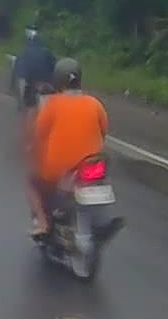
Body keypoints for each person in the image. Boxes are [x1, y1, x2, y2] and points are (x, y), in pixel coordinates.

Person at [25, 58, 109, 238]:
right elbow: (103, 132)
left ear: (57, 80)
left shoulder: (52, 105)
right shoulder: (95, 103)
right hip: (92, 168)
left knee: (32, 182)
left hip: (59, 171)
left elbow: (38, 136)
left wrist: (32, 152)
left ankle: (43, 223)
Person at [10, 26, 57, 116]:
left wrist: (20, 99)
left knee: (29, 106)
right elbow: (55, 68)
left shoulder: (23, 53)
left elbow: (20, 78)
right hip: (46, 84)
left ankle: (26, 112)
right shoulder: (47, 52)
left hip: (31, 84)